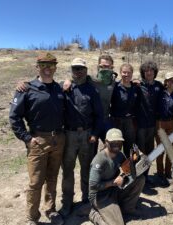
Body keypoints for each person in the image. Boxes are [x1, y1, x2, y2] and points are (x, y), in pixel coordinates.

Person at [9, 52, 65, 225]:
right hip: (37, 141)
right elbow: (14, 117)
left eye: (51, 65)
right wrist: (26, 138)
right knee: (35, 182)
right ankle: (32, 216)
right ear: (37, 67)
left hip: (58, 140)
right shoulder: (26, 89)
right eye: (43, 65)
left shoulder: (60, 89)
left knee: (53, 178)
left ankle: (51, 209)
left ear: (56, 67)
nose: (47, 69)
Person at [59, 58, 104, 217]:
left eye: (81, 68)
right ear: (71, 70)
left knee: (87, 170)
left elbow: (99, 116)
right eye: (75, 68)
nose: (78, 71)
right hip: (69, 135)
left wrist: (95, 134)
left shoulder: (93, 90)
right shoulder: (63, 88)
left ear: (86, 70)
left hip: (87, 135)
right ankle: (67, 203)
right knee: (67, 171)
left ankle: (87, 200)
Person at [88, 128, 145, 225]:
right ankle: (94, 215)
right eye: (113, 142)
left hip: (114, 189)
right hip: (100, 196)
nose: (117, 144)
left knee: (140, 179)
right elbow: (93, 186)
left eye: (119, 142)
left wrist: (137, 161)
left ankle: (128, 208)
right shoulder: (99, 160)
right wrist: (113, 182)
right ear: (106, 142)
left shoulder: (120, 155)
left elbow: (125, 171)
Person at [135, 61, 164, 184]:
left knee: (150, 151)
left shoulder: (159, 86)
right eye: (146, 71)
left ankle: (145, 176)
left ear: (155, 72)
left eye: (151, 70)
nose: (149, 73)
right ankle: (138, 176)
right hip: (140, 123)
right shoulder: (138, 85)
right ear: (143, 72)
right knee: (140, 151)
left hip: (153, 124)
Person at [155, 72, 173, 184]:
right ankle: (160, 173)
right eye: (169, 80)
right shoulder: (160, 93)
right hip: (160, 122)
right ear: (165, 82)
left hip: (171, 122)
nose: (172, 82)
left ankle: (167, 173)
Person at [110, 63, 139, 157]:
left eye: (129, 73)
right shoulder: (115, 87)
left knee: (130, 148)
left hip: (130, 122)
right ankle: (114, 170)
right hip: (116, 121)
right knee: (115, 147)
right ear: (120, 73)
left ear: (132, 74)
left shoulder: (135, 87)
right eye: (124, 72)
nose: (126, 75)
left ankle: (130, 169)